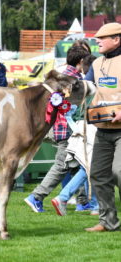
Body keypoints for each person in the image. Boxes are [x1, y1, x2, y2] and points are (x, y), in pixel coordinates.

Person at [24, 45, 90, 213]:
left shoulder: (60, 75)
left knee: (79, 163)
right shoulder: (74, 80)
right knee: (62, 164)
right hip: (68, 128)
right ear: (81, 61)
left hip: (60, 126)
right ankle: (36, 197)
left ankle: (83, 202)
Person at [84, 22, 121, 232]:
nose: (96, 41)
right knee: (98, 174)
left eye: (101, 38)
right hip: (103, 129)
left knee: (119, 171)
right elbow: (86, 87)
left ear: (116, 39)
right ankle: (109, 222)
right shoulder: (97, 64)